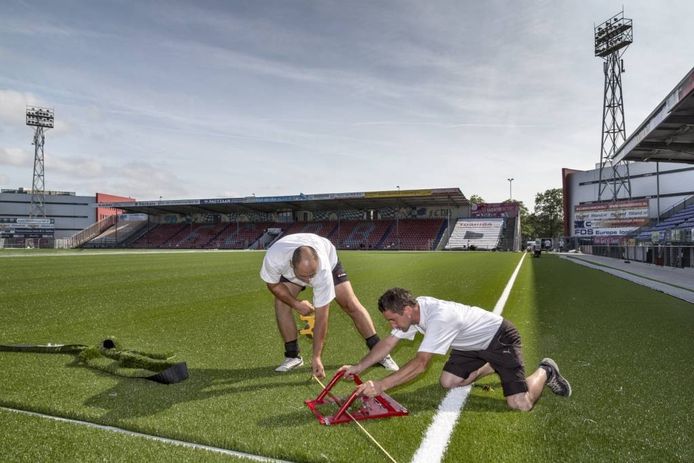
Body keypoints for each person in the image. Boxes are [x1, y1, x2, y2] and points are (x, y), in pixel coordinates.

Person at [340, 287, 571, 411]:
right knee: (448, 382)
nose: (391, 326)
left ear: (408, 310)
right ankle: (493, 366)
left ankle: (545, 370)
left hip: (500, 340)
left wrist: (381, 385)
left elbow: (421, 364)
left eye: (392, 320)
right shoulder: (413, 311)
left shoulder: (439, 318)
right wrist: (358, 366)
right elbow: (388, 343)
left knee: (520, 404)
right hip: (469, 345)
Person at [260, 233, 399, 378]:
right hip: (291, 269)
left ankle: (379, 353)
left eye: (311, 274)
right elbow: (273, 285)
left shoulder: (322, 270)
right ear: (291, 265)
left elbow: (322, 317)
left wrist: (316, 357)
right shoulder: (275, 259)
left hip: (329, 261)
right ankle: (293, 356)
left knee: (349, 304)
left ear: (317, 263)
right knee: (281, 303)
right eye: (304, 276)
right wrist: (296, 304)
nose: (309, 281)